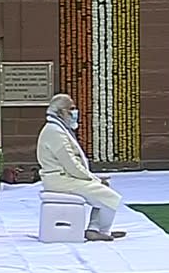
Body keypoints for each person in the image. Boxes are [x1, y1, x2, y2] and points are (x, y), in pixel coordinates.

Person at [36, 93, 126, 241]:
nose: (75, 112)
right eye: (71, 108)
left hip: (64, 177)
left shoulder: (59, 129)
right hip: (60, 179)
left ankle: (97, 229)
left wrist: (94, 179)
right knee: (110, 197)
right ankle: (99, 230)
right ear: (61, 112)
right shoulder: (55, 131)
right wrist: (93, 179)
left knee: (105, 191)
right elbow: (71, 164)